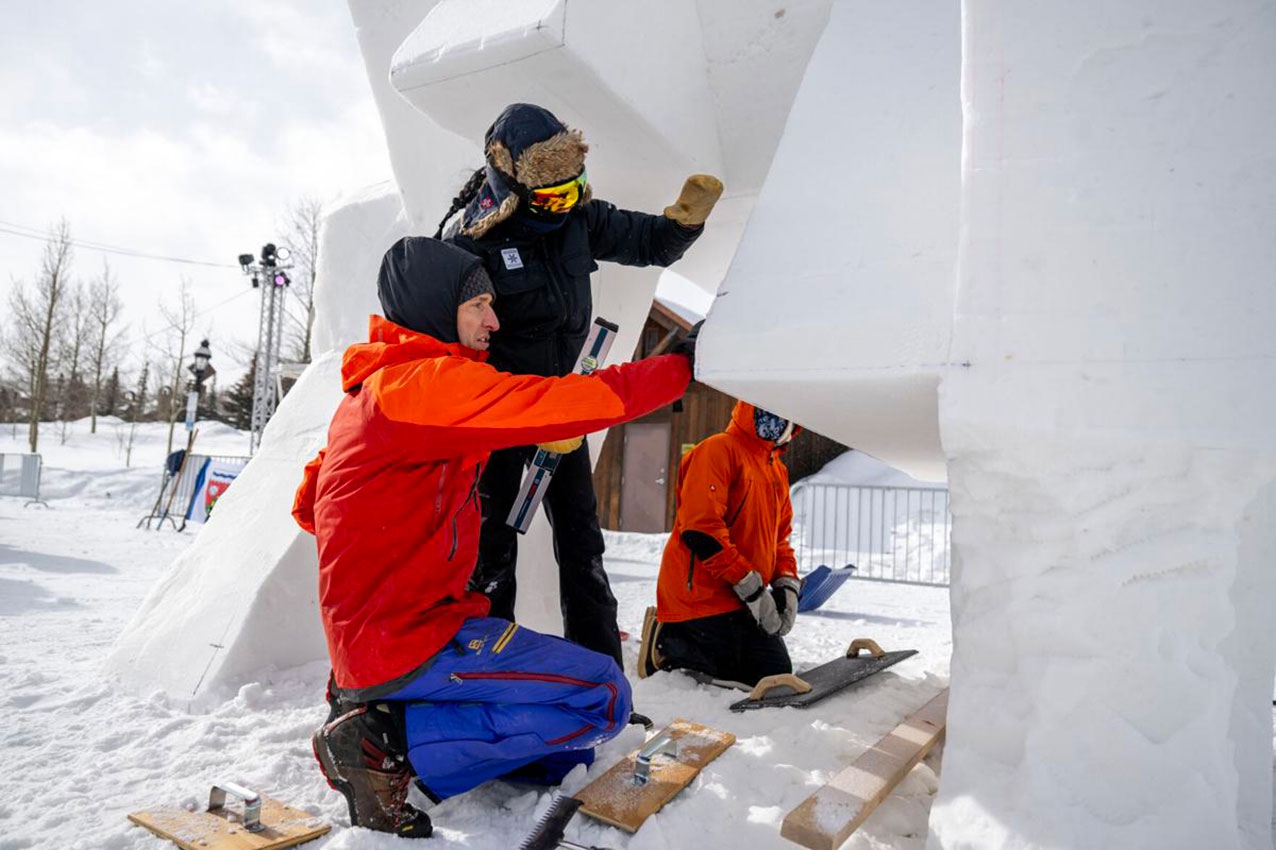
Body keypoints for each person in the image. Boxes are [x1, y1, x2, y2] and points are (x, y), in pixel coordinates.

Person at [293, 236, 694, 837]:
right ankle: (383, 741)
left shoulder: (377, 392)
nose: (494, 319)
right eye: (478, 304)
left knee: (568, 755)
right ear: (435, 309)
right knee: (603, 696)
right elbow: (566, 402)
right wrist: (682, 366)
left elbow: (309, 504)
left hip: (403, 630)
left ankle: (395, 714)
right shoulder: (419, 386)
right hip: (407, 639)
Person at [436, 102, 723, 668]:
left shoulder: (577, 218)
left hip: (562, 413)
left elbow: (648, 243)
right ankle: (494, 673)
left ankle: (601, 676)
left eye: (575, 190)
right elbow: (446, 333)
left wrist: (685, 222)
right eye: (553, 197)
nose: (566, 205)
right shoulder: (469, 239)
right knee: (491, 550)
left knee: (582, 545)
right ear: (513, 184)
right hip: (497, 415)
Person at [638, 402, 803, 688]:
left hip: (741, 600)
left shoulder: (776, 469)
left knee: (775, 673)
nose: (774, 419)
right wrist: (750, 586)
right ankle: (668, 641)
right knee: (730, 679)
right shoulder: (718, 449)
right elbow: (701, 530)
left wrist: (786, 586)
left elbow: (779, 539)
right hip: (700, 599)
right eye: (766, 409)